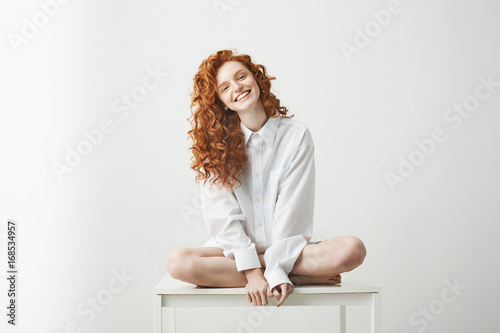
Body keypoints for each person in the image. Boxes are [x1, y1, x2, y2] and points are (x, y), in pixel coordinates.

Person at [166, 49, 366, 307]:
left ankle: (278, 271)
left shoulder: (296, 136)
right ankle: (300, 278)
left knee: (352, 250)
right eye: (225, 88)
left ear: (256, 79)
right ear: (223, 103)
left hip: (287, 249)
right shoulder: (215, 147)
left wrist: (276, 266)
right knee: (177, 262)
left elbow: (292, 213)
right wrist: (252, 272)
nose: (237, 87)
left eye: (241, 77)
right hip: (234, 252)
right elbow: (222, 217)